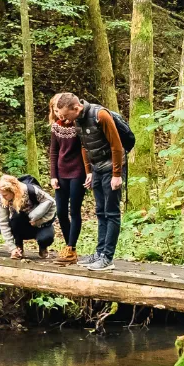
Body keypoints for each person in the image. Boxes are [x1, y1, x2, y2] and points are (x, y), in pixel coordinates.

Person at [48, 91, 129, 271]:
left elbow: (117, 145)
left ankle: (107, 257)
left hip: (111, 169)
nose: (64, 118)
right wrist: (89, 171)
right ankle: (99, 253)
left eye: (65, 114)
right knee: (100, 211)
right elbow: (85, 146)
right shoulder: (78, 120)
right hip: (97, 169)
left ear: (76, 108)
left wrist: (117, 174)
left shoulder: (101, 115)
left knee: (112, 213)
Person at [46, 96, 90, 265]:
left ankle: (71, 248)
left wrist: (88, 172)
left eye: (61, 111)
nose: (59, 115)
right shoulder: (56, 127)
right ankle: (68, 246)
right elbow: (53, 152)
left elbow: (85, 149)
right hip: (61, 173)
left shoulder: (78, 125)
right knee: (61, 212)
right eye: (56, 111)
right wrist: (53, 176)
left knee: (74, 211)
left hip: (77, 173)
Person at [0, 174, 57, 260]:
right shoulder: (1, 197)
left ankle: (43, 247)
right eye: (1, 194)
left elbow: (52, 204)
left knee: (46, 238)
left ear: (13, 191)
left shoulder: (31, 190)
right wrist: (12, 247)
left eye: (5, 195)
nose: (2, 197)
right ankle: (18, 246)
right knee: (16, 216)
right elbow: (3, 222)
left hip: (38, 222)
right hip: (20, 225)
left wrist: (41, 220)